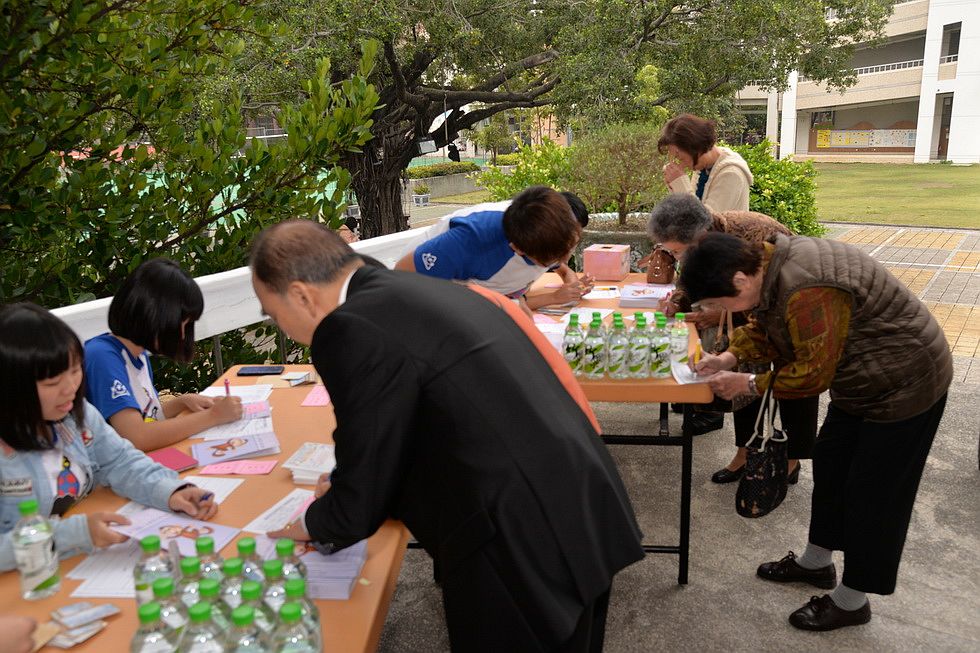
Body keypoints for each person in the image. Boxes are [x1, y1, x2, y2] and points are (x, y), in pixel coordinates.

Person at [251, 220, 644, 652]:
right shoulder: (417, 290)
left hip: (521, 541)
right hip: (577, 502)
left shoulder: (350, 327)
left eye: (273, 314)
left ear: (301, 295)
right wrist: (355, 487)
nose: (281, 327)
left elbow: (367, 462)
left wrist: (314, 521)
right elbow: (420, 422)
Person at [682, 232, 951, 631]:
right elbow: (765, 324)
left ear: (739, 279)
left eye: (719, 303)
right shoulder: (768, 265)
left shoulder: (807, 288)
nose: (719, 311)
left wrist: (748, 383)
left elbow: (811, 374)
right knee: (831, 466)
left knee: (874, 494)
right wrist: (727, 357)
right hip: (860, 379)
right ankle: (816, 563)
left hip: (906, 382)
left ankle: (852, 600)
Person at [0, 303, 218, 572]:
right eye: (52, 383)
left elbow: (120, 462)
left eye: (75, 370)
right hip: (25, 581)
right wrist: (75, 533)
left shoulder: (75, 415)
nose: (70, 388)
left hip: (82, 564)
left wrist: (172, 491)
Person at [646, 194, 818, 481]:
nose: (674, 257)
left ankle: (791, 461)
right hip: (757, 310)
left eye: (676, 251)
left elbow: (759, 297)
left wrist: (719, 316)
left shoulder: (750, 237)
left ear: (697, 236)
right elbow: (690, 279)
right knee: (745, 370)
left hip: (792, 305)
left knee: (796, 381)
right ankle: (745, 452)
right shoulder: (699, 242)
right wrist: (676, 302)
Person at [84, 258, 242, 451]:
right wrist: (213, 416)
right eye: (182, 324)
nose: (182, 335)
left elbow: (146, 417)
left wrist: (181, 403)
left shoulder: (136, 353)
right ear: (154, 316)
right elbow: (137, 437)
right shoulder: (102, 357)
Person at [395, 187, 595, 314]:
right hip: (432, 293)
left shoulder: (547, 226)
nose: (564, 259)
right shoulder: (471, 241)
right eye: (550, 261)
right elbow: (402, 279)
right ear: (518, 249)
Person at [658, 113, 753, 213]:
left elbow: (708, 220)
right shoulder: (703, 168)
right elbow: (689, 214)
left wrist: (681, 184)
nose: (682, 165)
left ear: (695, 147)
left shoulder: (731, 174)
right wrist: (674, 186)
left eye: (680, 158)